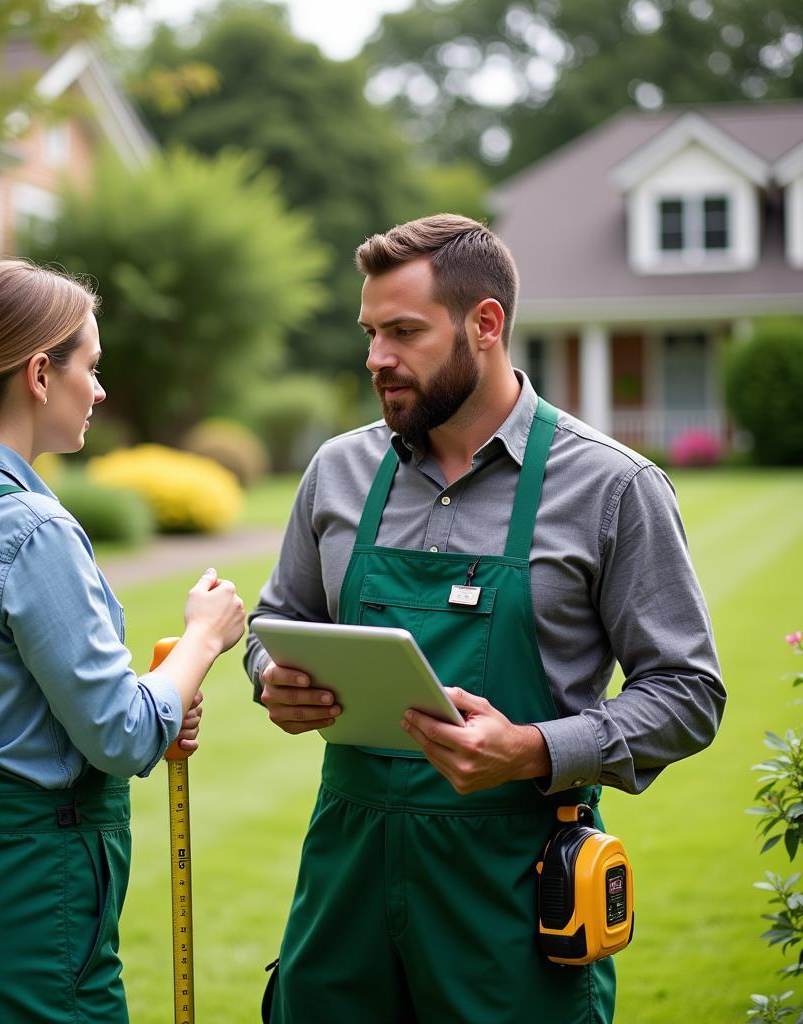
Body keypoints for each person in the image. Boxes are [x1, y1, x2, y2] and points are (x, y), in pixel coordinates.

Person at [243, 214, 725, 1024]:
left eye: (403, 332)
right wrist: (270, 679)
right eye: (369, 333)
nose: (376, 359)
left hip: (512, 899)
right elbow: (275, 618)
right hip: (344, 887)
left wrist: (534, 749)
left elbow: (688, 692)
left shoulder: (612, 487)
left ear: (486, 325)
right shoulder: (338, 470)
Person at [0, 259, 245, 1024]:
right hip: (23, 911)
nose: (97, 389)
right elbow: (124, 737)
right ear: (38, 373)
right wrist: (201, 640)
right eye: (89, 366)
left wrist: (151, 702)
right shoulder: (32, 529)